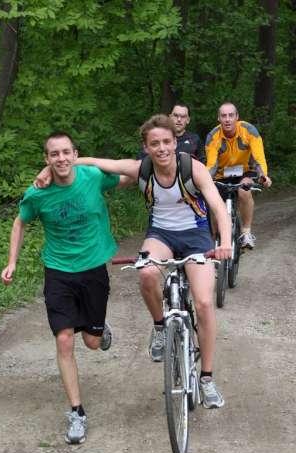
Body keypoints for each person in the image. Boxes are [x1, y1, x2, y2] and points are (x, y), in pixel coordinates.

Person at [36, 115, 232, 409]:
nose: (161, 148)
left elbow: (218, 207)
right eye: (155, 143)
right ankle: (160, 327)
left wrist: (225, 243)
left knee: (204, 303)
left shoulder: (193, 168)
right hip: (161, 235)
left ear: (175, 143)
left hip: (196, 235)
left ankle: (206, 378)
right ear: (146, 147)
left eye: (166, 142)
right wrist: (48, 169)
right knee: (147, 273)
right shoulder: (141, 168)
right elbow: (93, 162)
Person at [1, 131, 129, 445]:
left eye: (65, 152)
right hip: (58, 271)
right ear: (46, 159)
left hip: (93, 268)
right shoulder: (38, 194)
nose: (60, 158)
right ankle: (76, 412)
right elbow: (20, 222)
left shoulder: (93, 177)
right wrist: (12, 262)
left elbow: (128, 175)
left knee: (92, 343)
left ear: (75, 154)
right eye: (54, 154)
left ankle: (98, 328)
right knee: (64, 339)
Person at [205, 102, 272, 249]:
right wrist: (204, 181)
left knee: (244, 190)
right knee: (215, 202)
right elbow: (211, 165)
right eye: (223, 116)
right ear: (218, 118)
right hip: (221, 175)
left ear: (237, 117)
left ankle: (246, 232)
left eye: (231, 115)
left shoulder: (249, 130)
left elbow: (258, 158)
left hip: (245, 171)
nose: (227, 119)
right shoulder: (213, 136)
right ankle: (215, 239)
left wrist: (263, 176)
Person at [137, 104, 204, 162]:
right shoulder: (157, 137)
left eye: (183, 117)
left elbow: (202, 163)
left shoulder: (195, 139)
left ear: (188, 120)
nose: (179, 119)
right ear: (170, 117)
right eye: (175, 115)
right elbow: (141, 161)